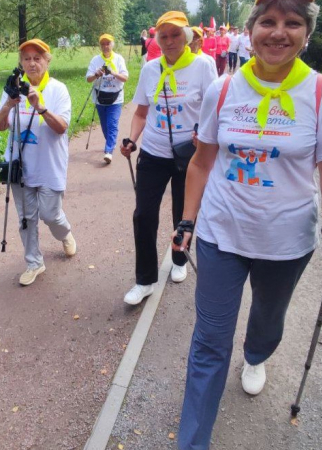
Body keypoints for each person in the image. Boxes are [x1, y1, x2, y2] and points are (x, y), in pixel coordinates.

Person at [175, 0, 322, 447]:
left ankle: (256, 355)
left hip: (286, 240)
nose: (279, 32)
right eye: (268, 21)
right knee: (209, 341)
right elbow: (201, 163)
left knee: (267, 319)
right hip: (221, 233)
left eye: (292, 23)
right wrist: (187, 221)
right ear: (251, 30)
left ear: (306, 34)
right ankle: (192, 441)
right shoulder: (223, 89)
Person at [120, 11, 217, 305]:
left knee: (182, 212)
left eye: (176, 34)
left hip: (190, 156)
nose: (170, 40)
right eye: (164, 36)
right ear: (157, 40)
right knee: (143, 215)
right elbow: (141, 113)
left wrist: (204, 135)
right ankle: (144, 280)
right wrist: (132, 139)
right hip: (153, 151)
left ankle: (179, 259)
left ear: (186, 37)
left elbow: (213, 110)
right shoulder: (151, 69)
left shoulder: (203, 65)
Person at [0, 38, 76, 286]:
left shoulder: (58, 90)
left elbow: (61, 127)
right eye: (27, 59)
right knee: (26, 218)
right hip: (19, 166)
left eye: (37, 58)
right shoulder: (12, 89)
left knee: (51, 215)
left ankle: (65, 233)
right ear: (21, 63)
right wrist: (9, 104)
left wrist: (40, 107)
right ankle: (34, 262)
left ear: (47, 61)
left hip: (50, 165)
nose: (32, 63)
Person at [86, 34, 129, 163]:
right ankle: (111, 142)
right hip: (100, 98)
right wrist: (96, 74)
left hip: (116, 98)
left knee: (112, 124)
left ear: (112, 44)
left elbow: (125, 78)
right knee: (105, 126)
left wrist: (113, 72)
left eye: (108, 43)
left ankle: (109, 151)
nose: (105, 46)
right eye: (103, 44)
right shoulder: (95, 60)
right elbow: (88, 79)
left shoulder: (119, 59)